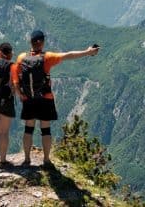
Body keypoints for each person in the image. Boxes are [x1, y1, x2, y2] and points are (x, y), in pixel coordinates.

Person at [12, 30, 99, 169]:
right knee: (45, 130)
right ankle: (46, 160)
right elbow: (68, 55)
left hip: (28, 99)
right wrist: (87, 52)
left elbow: (15, 78)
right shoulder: (48, 57)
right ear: (40, 42)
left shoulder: (21, 57)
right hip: (45, 98)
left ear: (31, 42)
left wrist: (19, 94)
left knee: (28, 129)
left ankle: (27, 159)